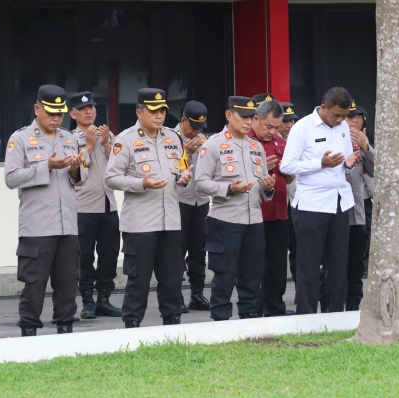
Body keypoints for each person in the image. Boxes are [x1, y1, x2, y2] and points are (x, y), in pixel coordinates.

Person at [5, 84, 89, 336]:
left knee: (67, 284)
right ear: (36, 109)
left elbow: (80, 177)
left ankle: (65, 328)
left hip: (67, 224)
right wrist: (47, 166)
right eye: (50, 112)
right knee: (34, 283)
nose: (56, 118)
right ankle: (29, 330)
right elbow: (11, 178)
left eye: (60, 113)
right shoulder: (19, 138)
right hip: (37, 227)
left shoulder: (69, 137)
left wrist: (75, 169)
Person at [105, 88, 193, 328]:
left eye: (162, 110)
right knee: (138, 279)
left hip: (171, 221)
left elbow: (182, 169)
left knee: (172, 277)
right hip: (140, 224)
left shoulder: (173, 138)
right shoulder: (126, 140)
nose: (159, 115)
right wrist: (140, 183)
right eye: (153, 111)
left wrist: (184, 177)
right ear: (139, 112)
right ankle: (133, 324)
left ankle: (172, 321)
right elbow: (111, 178)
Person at [280, 87, 361, 314]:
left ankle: (335, 314)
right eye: (336, 114)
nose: (341, 120)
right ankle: (306, 317)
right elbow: (287, 166)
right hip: (311, 206)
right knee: (309, 266)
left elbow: (342, 167)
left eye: (344, 115)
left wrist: (347, 163)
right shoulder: (302, 127)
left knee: (337, 265)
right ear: (323, 107)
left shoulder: (343, 127)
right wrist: (320, 163)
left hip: (339, 202)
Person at [194, 96, 276, 321]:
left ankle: (249, 317)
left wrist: (268, 188)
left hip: (254, 220)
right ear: (229, 115)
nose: (249, 122)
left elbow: (262, 188)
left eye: (252, 117)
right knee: (224, 274)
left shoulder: (255, 146)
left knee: (252, 274)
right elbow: (200, 183)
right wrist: (228, 188)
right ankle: (220, 319)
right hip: (225, 220)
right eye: (244, 116)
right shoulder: (212, 145)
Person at [69, 91, 122, 319]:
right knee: (85, 258)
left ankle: (104, 299)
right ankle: (88, 301)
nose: (88, 111)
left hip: (109, 206)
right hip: (83, 208)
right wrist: (89, 147)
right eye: (82, 109)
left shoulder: (108, 136)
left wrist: (106, 144)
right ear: (73, 114)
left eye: (91, 107)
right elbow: (74, 172)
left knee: (109, 256)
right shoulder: (69, 139)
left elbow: (120, 168)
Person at [249, 97, 294, 316]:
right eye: (268, 126)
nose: (272, 132)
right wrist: (259, 169)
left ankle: (275, 306)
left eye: (276, 127)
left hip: (280, 212)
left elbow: (291, 179)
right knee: (256, 264)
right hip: (256, 213)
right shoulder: (245, 142)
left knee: (277, 264)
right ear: (255, 119)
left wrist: (288, 171)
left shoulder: (281, 143)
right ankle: (255, 307)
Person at [173, 100, 211, 313]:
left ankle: (197, 294)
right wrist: (185, 153)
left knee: (199, 248)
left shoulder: (205, 139)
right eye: (193, 126)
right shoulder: (170, 138)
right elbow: (168, 169)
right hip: (179, 200)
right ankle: (175, 294)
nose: (196, 131)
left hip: (201, 200)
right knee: (177, 250)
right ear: (183, 120)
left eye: (200, 127)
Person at [343, 102, 375, 311]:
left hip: (358, 212)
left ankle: (354, 303)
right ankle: (331, 305)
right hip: (334, 212)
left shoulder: (361, 142)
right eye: (349, 117)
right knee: (333, 263)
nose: (354, 121)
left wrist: (366, 147)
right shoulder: (330, 139)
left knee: (356, 263)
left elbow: (375, 170)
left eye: (357, 117)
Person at [279, 102, 299, 291]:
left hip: (295, 200)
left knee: (297, 247)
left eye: (292, 120)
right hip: (276, 201)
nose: (290, 125)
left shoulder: (298, 139)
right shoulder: (272, 141)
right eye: (286, 121)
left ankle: (299, 289)